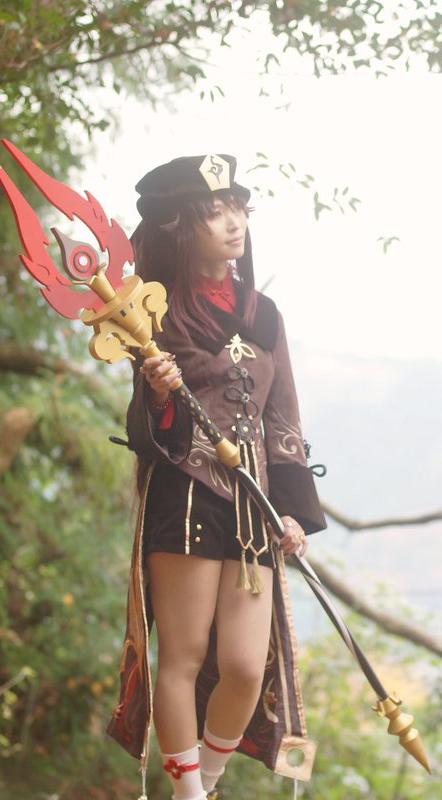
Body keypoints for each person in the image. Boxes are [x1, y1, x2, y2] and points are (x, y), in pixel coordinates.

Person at [103, 154, 326, 800]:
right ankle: (187, 794)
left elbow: (283, 418)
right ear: (180, 227)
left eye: (239, 210)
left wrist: (293, 511)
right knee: (183, 657)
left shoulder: (265, 315)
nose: (235, 224)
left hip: (256, 504)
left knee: (246, 667)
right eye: (216, 213)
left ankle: (206, 782)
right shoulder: (155, 314)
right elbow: (150, 430)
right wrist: (159, 391)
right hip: (186, 492)